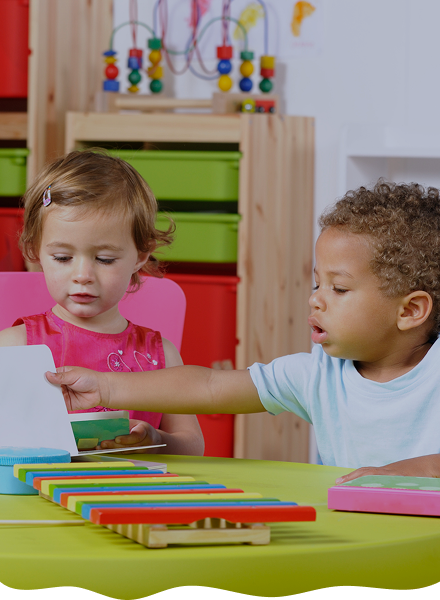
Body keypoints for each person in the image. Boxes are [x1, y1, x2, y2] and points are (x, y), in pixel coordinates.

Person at [46, 180, 440, 481]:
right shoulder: (317, 375)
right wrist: (105, 387)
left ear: (410, 311)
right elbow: (210, 386)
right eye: (317, 284)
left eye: (338, 289)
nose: (315, 300)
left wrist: (406, 472)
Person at [0, 150, 204, 456]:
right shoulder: (14, 347)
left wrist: (156, 440)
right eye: (63, 258)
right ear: (35, 250)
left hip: (133, 487)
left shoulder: (161, 355)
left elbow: (193, 445)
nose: (83, 275)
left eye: (105, 259)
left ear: (141, 255)